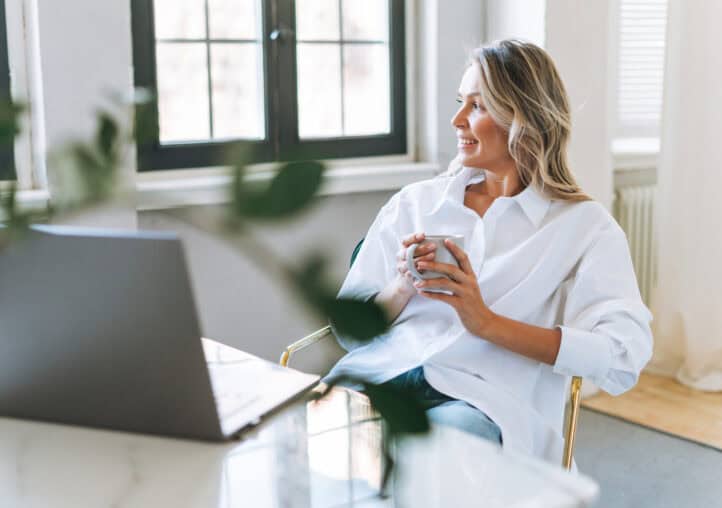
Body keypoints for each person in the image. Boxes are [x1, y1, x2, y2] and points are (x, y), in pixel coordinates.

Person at [325, 39, 653, 464]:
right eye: (461, 102)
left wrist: (486, 322)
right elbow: (351, 334)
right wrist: (403, 285)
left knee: (428, 459)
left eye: (477, 106)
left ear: (524, 118)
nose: (456, 119)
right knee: (309, 436)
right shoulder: (414, 203)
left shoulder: (584, 229)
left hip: (482, 404)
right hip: (379, 376)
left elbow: (623, 357)